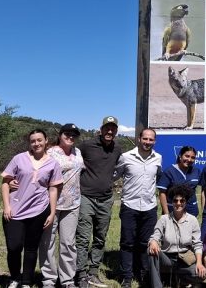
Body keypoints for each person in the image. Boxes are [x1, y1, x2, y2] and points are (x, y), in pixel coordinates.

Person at [1, 129, 62, 288]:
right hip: (15, 210)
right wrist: (6, 206)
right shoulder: (18, 158)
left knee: (31, 248)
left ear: (46, 141)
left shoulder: (53, 163)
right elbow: (5, 182)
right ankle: (15, 277)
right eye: (33, 141)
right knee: (14, 246)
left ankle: (27, 282)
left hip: (39, 210)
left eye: (39, 140)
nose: (36, 143)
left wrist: (52, 212)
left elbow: (53, 189)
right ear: (30, 143)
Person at [75, 116, 122, 288]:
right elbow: (70, 158)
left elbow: (119, 168)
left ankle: (93, 272)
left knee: (100, 237)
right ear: (101, 129)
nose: (110, 131)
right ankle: (81, 274)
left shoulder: (117, 148)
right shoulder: (86, 145)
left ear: (116, 131)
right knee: (83, 237)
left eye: (113, 129)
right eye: (107, 128)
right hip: (86, 197)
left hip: (106, 199)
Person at [39, 124, 85, 288]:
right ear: (60, 135)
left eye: (74, 134)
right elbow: (34, 167)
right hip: (51, 204)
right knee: (48, 242)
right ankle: (49, 279)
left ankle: (67, 280)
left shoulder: (77, 152)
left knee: (68, 243)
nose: (70, 137)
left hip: (72, 204)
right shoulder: (50, 152)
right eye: (67, 133)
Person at [115, 127, 162, 288]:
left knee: (145, 243)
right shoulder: (126, 157)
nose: (148, 142)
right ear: (139, 139)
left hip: (149, 207)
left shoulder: (158, 158)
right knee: (127, 243)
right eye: (145, 139)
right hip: (130, 205)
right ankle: (126, 277)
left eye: (151, 139)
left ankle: (143, 275)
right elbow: (116, 175)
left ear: (154, 141)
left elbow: (159, 179)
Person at [147, 184, 206, 288]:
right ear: (171, 202)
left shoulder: (192, 220)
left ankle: (177, 279)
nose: (178, 203)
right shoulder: (164, 219)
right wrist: (153, 241)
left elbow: (197, 244)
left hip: (185, 259)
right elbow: (155, 235)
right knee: (151, 250)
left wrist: (199, 263)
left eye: (182, 201)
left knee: (201, 276)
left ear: (186, 202)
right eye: (175, 200)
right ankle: (157, 285)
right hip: (167, 258)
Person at [158, 145, 201, 217]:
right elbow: (162, 193)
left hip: (191, 211)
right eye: (187, 156)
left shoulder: (196, 171)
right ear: (180, 156)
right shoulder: (169, 171)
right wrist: (166, 214)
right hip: (173, 211)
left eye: (193, 158)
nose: (189, 159)